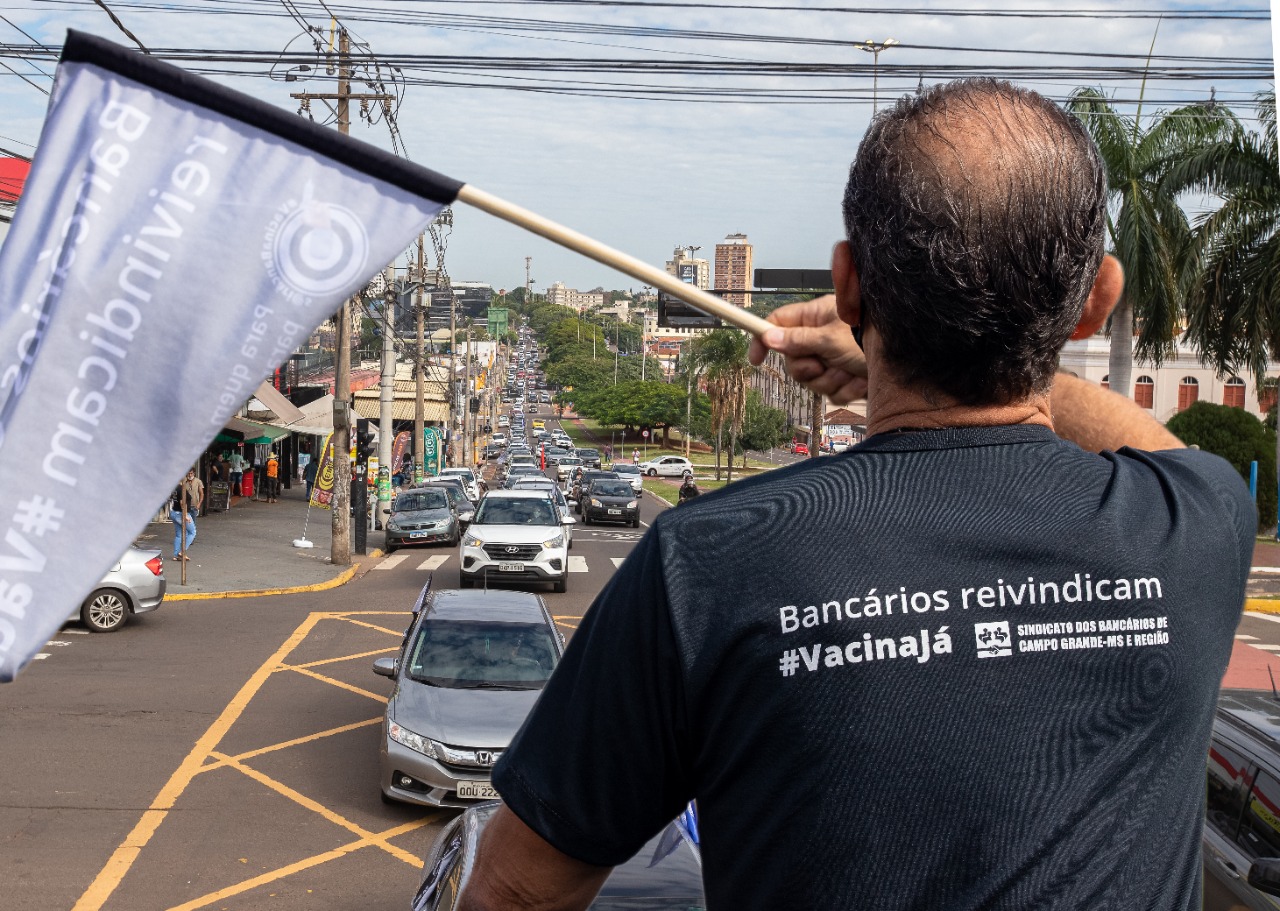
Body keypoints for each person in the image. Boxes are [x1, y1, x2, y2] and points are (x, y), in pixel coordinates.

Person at [457, 79, 1255, 910]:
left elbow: (514, 889)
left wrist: (878, 345)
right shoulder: (1192, 530)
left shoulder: (706, 560)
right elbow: (1164, 448)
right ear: (1095, 303)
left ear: (848, 286)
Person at [169, 468, 203, 562]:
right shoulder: (181, 489)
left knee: (179, 535)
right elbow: (182, 503)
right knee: (192, 532)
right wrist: (185, 516)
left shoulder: (174, 489)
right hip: (181, 513)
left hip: (174, 512)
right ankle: (182, 552)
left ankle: (176, 555)